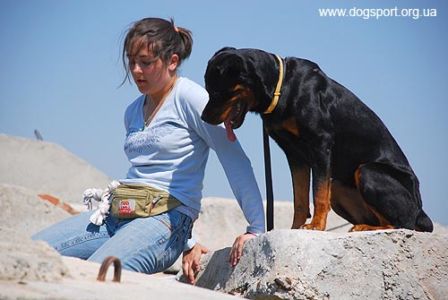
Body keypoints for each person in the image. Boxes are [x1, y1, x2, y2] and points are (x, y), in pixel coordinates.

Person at [32, 17, 265, 284]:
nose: (136, 70)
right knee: (33, 250)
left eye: (146, 62)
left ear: (172, 61)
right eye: (132, 61)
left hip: (165, 221)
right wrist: (192, 244)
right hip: (119, 213)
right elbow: (147, 172)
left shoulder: (190, 98)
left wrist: (255, 229)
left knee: (101, 273)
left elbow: (234, 159)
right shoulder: (132, 111)